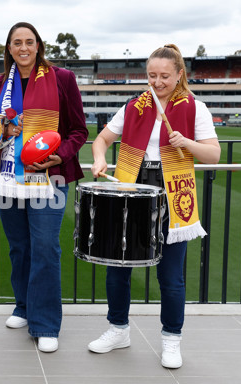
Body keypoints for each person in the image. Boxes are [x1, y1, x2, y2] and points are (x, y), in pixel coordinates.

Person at [88, 44, 221, 368]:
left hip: (172, 191)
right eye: (151, 76)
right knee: (118, 266)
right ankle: (118, 329)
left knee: (171, 276)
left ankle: (171, 340)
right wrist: (100, 158)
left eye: (164, 76)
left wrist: (186, 143)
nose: (157, 82)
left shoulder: (195, 108)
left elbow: (213, 154)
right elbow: (102, 139)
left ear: (179, 75)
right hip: (132, 188)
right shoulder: (134, 105)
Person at [0, 22, 88, 353]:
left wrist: (57, 157)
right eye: (17, 43)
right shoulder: (0, 83)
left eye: (29, 42)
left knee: (45, 248)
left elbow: (78, 131)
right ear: (9, 49)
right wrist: (3, 133)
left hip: (49, 178)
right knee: (20, 248)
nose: (23, 48)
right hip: (8, 178)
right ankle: (24, 307)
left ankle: (45, 324)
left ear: (39, 46)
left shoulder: (62, 79)